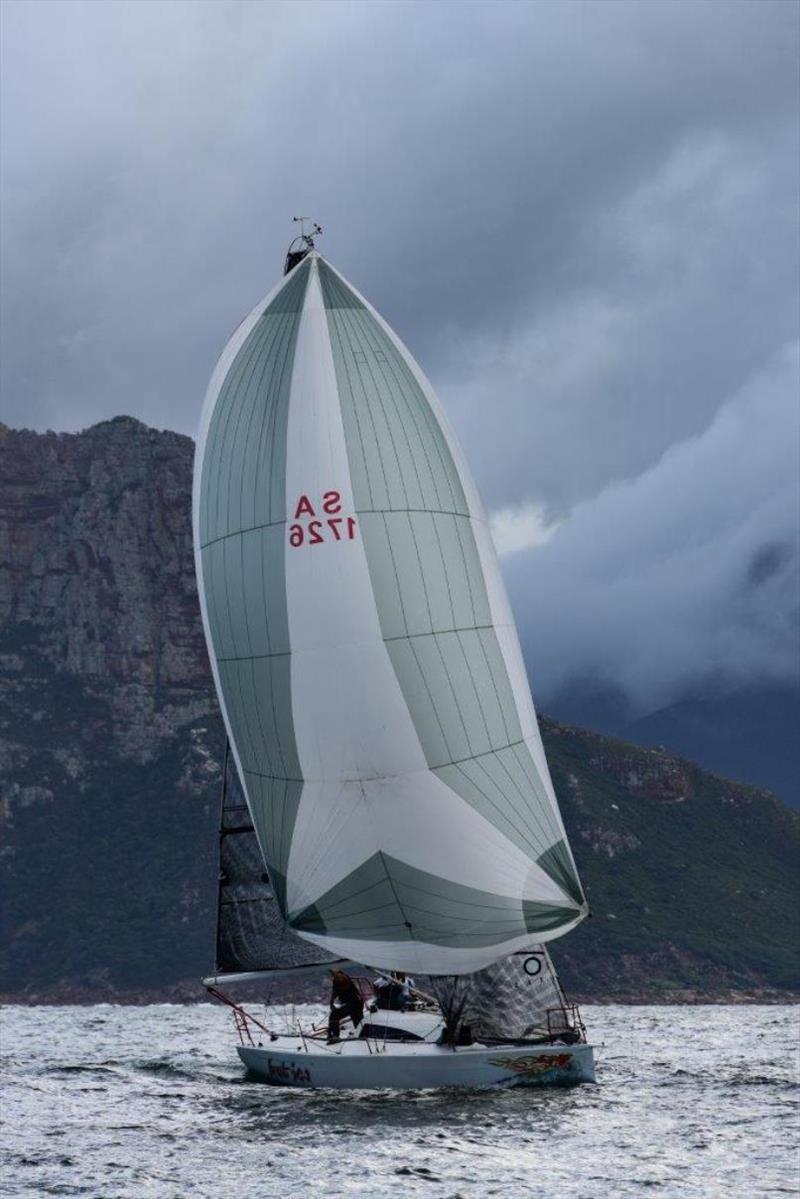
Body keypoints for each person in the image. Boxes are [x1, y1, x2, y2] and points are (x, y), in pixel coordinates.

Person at [327, 969, 364, 1042]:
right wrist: (331, 1003)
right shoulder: (342, 978)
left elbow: (336, 992)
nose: (333, 976)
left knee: (334, 1015)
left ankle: (335, 1036)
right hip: (356, 1003)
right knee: (356, 1019)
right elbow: (336, 992)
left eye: (333, 974)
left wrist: (332, 1003)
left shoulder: (341, 979)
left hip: (354, 1003)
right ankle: (362, 1034)